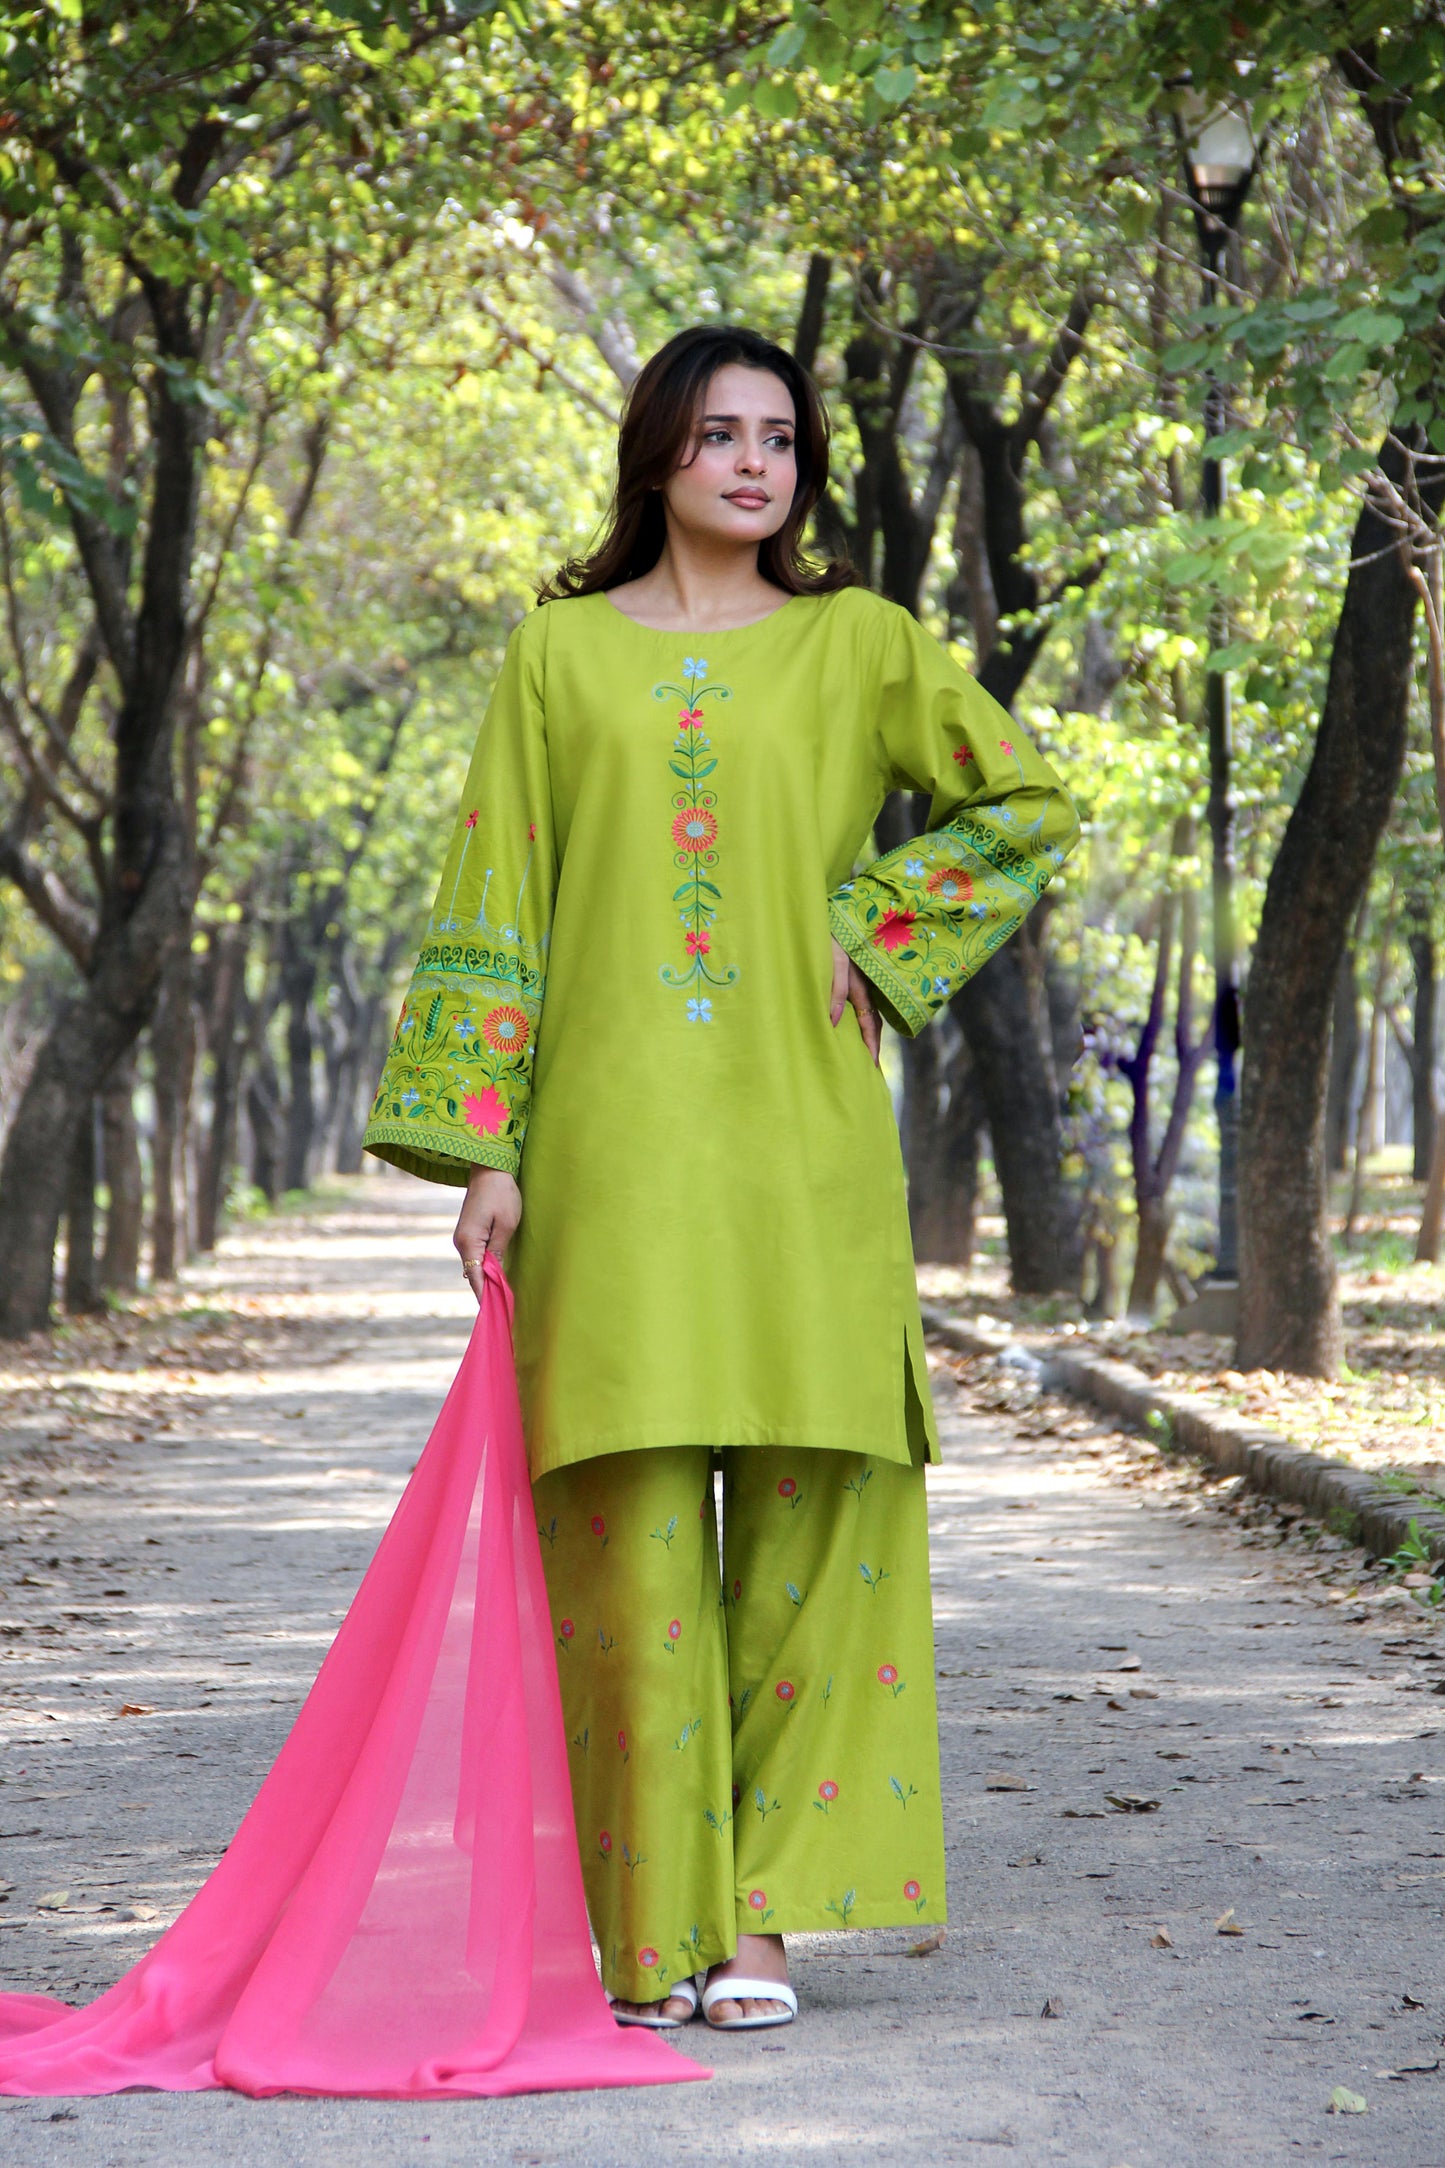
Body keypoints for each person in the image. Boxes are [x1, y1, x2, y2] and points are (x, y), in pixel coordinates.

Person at [363, 323, 1079, 2032]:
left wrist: (883, 932)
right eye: (715, 434)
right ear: (656, 459)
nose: (752, 463)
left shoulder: (861, 644)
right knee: (618, 1556)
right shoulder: (556, 658)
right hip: (605, 1161)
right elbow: (498, 900)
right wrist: (481, 1149)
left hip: (802, 1156)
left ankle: (756, 1924)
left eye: (777, 437)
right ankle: (644, 1933)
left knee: (810, 1531)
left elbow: (1027, 806)